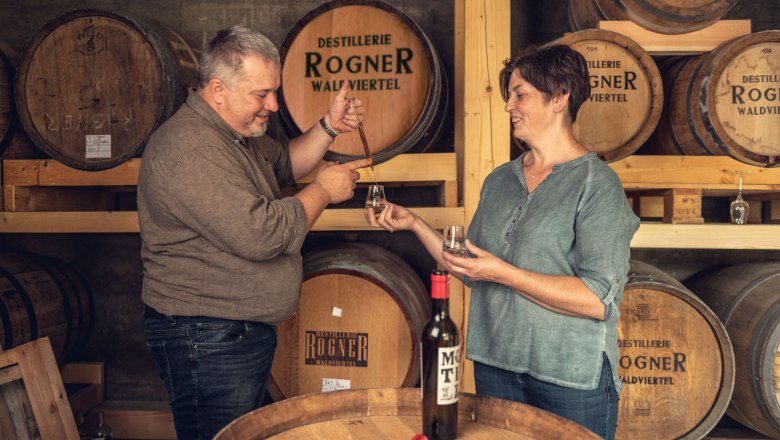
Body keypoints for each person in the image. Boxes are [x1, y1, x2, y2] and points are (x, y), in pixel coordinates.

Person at [365, 44, 639, 439]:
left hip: (569, 379)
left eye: (520, 94)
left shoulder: (597, 186)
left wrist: (504, 273)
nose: (509, 105)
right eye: (509, 94)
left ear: (559, 97)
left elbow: (598, 300)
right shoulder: (500, 181)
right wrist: (414, 223)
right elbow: (470, 267)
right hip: (497, 369)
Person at [137, 26, 369, 440]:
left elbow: (284, 165)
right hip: (205, 338)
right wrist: (323, 191)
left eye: (274, 92)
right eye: (260, 94)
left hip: (228, 333)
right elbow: (261, 234)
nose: (273, 105)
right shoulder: (192, 148)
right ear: (218, 89)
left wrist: (329, 127)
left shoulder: (233, 134)